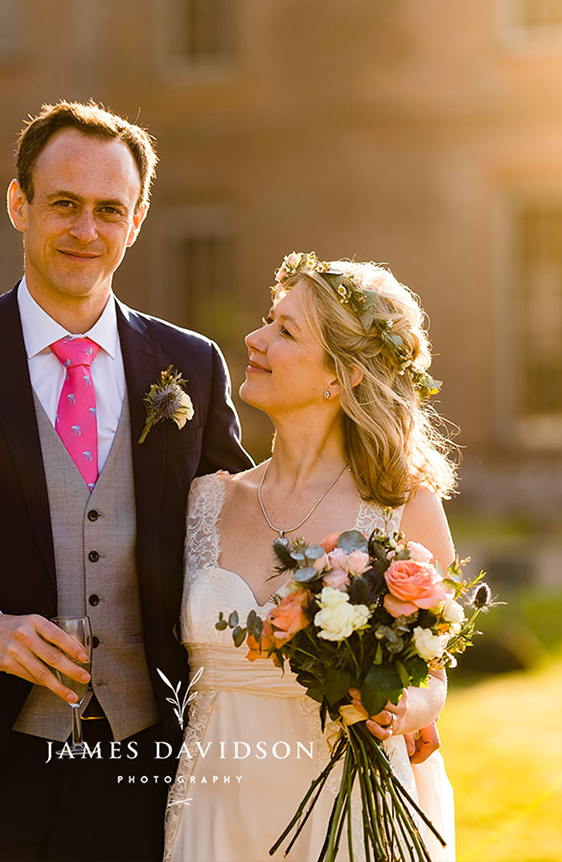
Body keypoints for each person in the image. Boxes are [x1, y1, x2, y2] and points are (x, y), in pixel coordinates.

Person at [0, 101, 252, 861]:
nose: (85, 231)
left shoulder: (190, 366)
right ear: (18, 204)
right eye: (64, 204)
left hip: (146, 770)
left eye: (108, 210)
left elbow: (243, 544)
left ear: (137, 220)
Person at [165, 252, 458, 862]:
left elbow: (435, 672)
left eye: (285, 330)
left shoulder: (401, 509)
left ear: (343, 375)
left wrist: (403, 708)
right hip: (214, 811)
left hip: (340, 813)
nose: (255, 337)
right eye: (268, 319)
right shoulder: (206, 500)